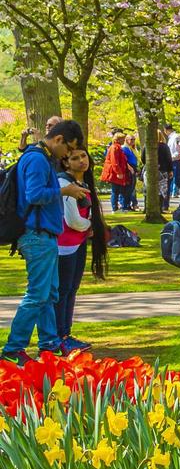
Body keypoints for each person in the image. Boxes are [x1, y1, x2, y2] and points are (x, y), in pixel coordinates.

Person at [3, 120, 88, 364]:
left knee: (49, 293)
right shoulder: (38, 159)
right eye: (69, 148)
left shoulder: (41, 158)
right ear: (58, 139)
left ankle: (49, 344)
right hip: (37, 234)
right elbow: (35, 194)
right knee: (38, 294)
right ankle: (13, 347)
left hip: (45, 234)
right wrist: (65, 191)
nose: (68, 155)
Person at [54, 145, 107, 353]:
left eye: (83, 156)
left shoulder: (82, 182)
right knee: (63, 290)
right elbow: (73, 219)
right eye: (75, 158)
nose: (81, 161)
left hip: (78, 243)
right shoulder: (64, 183)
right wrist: (90, 226)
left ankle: (66, 333)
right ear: (66, 162)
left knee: (72, 289)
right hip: (65, 245)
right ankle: (59, 335)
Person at [101, 131, 133, 213]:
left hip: (119, 172)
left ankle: (122, 207)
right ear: (118, 139)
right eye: (123, 139)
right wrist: (118, 172)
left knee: (120, 190)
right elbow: (114, 161)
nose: (124, 140)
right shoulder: (114, 148)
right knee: (115, 190)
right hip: (115, 173)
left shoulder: (118, 147)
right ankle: (114, 208)